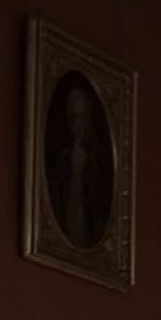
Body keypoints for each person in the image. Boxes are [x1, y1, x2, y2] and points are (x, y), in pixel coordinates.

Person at [44, 71, 112, 248]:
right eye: (73, 117)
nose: (77, 125)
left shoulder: (101, 164)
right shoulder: (63, 160)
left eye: (83, 117)